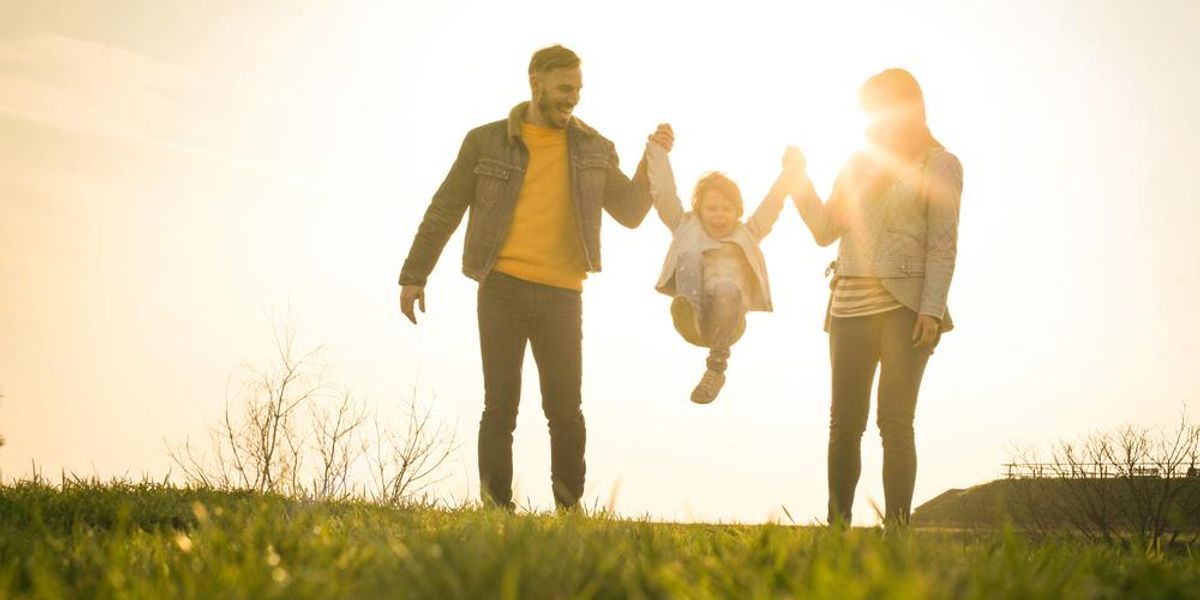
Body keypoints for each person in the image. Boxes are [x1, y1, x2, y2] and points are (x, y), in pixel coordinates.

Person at [397, 45, 653, 511]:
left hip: (562, 294)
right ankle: (497, 510)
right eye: (563, 88)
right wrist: (415, 274)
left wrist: (652, 159)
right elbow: (445, 208)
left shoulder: (594, 148)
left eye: (577, 89)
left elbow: (633, 211)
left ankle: (569, 508)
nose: (572, 97)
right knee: (500, 407)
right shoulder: (486, 141)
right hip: (503, 288)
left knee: (565, 411)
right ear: (535, 83)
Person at [788, 69, 964, 525]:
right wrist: (798, 180)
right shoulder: (858, 163)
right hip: (847, 302)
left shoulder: (940, 164)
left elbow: (942, 244)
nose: (870, 118)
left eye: (877, 108)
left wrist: (930, 309)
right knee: (844, 425)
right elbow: (826, 230)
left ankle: (897, 532)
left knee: (895, 422)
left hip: (905, 307)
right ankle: (837, 527)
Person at [643, 124, 798, 403]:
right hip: (694, 315)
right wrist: (657, 150)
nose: (719, 216)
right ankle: (690, 310)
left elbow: (772, 204)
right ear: (698, 210)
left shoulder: (747, 233)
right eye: (711, 209)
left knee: (727, 287)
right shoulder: (685, 226)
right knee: (689, 257)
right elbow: (664, 193)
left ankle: (716, 369)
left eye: (726, 210)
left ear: (738, 211)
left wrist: (790, 172)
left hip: (728, 319)